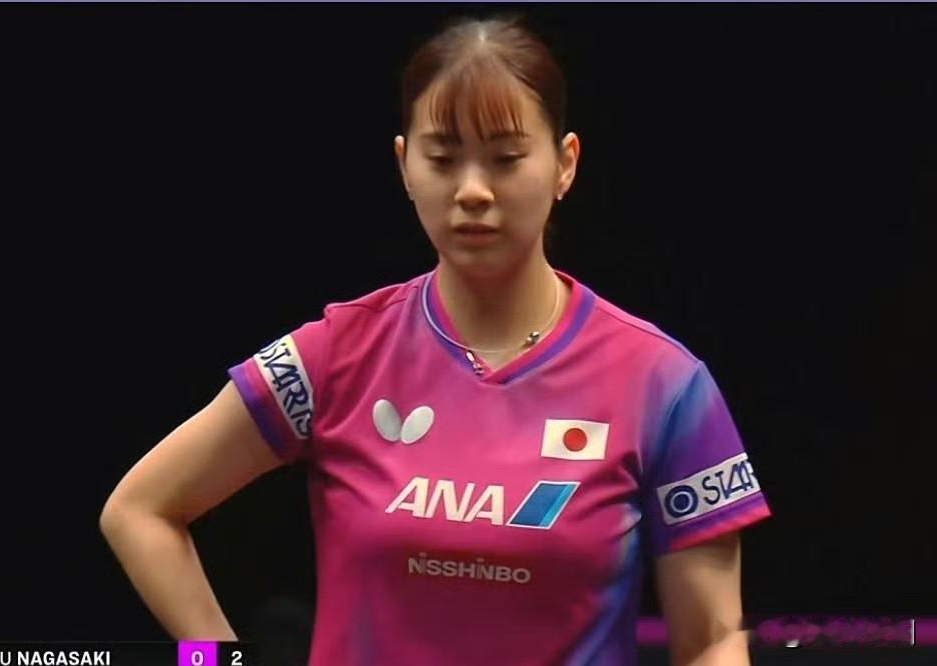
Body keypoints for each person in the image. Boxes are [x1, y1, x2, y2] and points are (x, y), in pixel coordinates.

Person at [100, 14, 772, 666]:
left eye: (506, 158)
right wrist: (213, 662)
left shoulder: (663, 384)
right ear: (404, 165)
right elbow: (139, 511)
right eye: (443, 159)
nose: (472, 190)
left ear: (565, 164)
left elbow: (712, 639)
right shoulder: (335, 354)